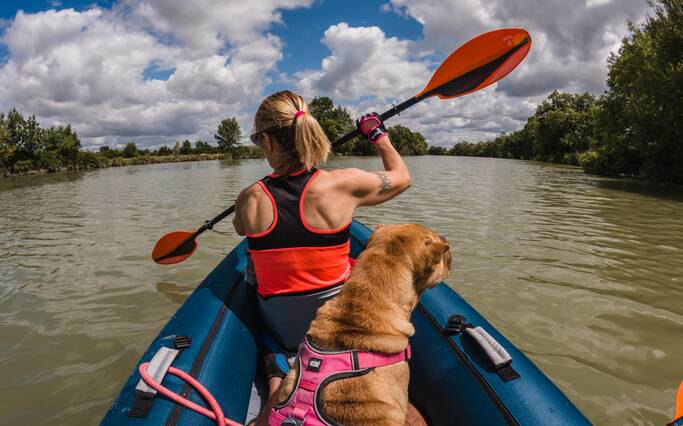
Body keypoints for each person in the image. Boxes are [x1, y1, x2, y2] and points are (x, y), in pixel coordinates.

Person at [233, 90, 411, 397]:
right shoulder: (342, 184)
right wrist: (377, 135)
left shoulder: (249, 198)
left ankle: (278, 370)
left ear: (269, 141)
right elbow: (402, 177)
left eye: (256, 139)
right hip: (335, 328)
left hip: (284, 330)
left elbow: (239, 229)